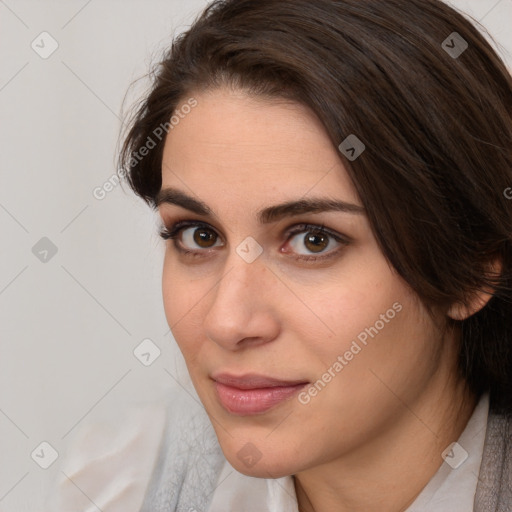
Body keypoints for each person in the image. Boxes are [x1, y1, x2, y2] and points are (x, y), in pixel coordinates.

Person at [117, 0, 512, 510]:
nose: (226, 321)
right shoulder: (122, 485)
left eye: (312, 240)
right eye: (199, 235)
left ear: (474, 266)